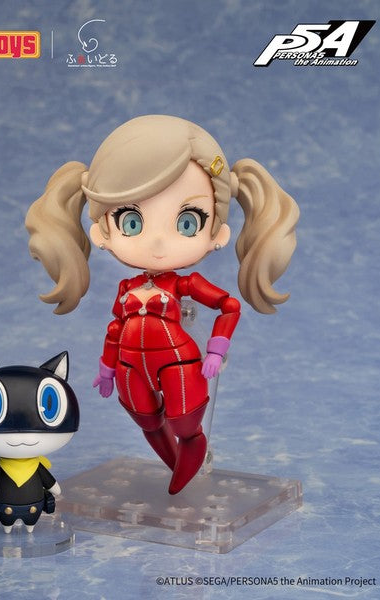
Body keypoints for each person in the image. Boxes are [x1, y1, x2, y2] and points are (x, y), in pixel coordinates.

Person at [26, 115, 299, 494]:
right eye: (131, 221)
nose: (156, 242)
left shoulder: (183, 284)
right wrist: (107, 368)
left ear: (217, 233)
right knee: (146, 420)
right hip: (129, 365)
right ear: (102, 231)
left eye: (187, 222)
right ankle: (176, 466)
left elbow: (228, 306)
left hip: (178, 362)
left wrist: (216, 349)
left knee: (186, 423)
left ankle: (190, 453)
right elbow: (115, 329)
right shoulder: (126, 288)